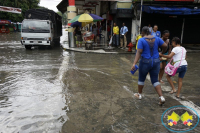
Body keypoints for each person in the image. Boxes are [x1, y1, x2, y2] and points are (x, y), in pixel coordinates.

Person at [131, 26, 167, 105]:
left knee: (141, 78)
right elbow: (165, 46)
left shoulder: (141, 40)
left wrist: (134, 63)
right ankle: (161, 97)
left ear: (142, 33)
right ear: (150, 32)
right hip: (156, 61)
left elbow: (139, 52)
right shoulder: (157, 38)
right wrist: (162, 53)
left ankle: (139, 94)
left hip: (145, 62)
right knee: (154, 80)